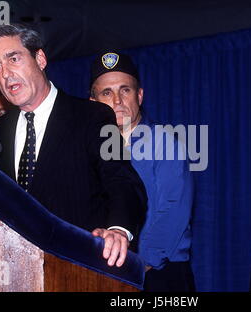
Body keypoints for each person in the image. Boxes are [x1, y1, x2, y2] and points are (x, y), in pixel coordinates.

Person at [0, 24, 147, 267]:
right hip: (16, 268)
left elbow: (122, 180)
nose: (5, 73)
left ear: (40, 58)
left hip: (78, 266)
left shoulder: (93, 116)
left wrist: (118, 229)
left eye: (13, 58)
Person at [89, 52, 195, 291]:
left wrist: (139, 266)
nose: (117, 100)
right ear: (93, 103)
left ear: (139, 95)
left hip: (158, 273)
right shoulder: (90, 149)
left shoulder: (165, 142)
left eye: (125, 90)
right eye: (107, 92)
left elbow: (172, 211)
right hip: (106, 272)